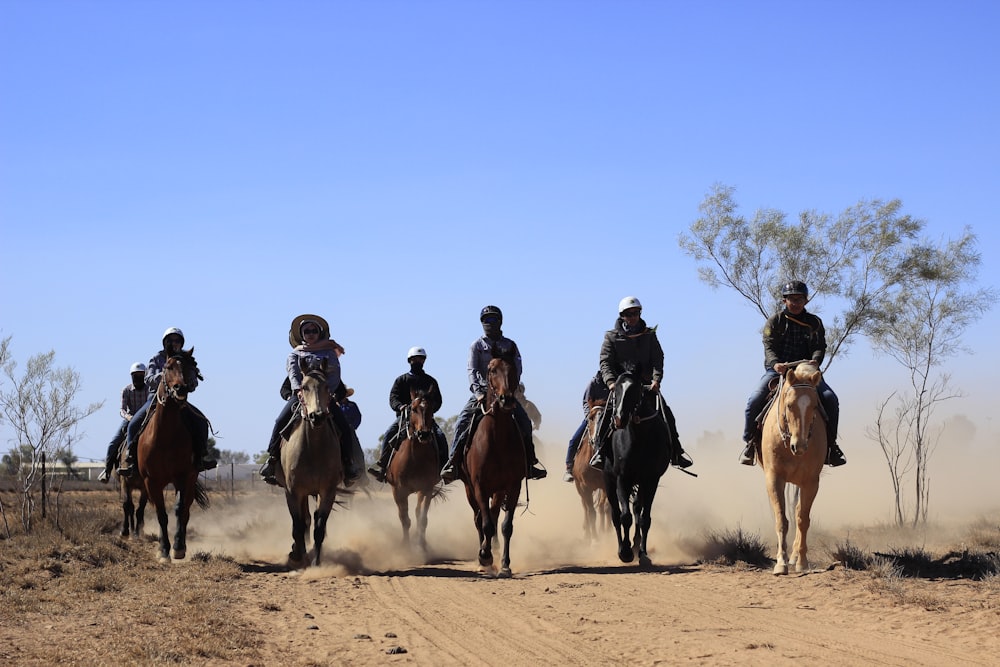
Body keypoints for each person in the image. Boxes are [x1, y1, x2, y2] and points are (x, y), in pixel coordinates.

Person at [740, 281, 846, 467]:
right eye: (791, 299)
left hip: (806, 372)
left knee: (830, 399)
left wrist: (815, 360)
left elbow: (820, 346)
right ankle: (749, 443)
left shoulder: (814, 322)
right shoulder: (775, 321)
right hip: (778, 371)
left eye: (799, 299)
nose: (795, 303)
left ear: (806, 300)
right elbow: (769, 346)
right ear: (784, 301)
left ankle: (831, 447)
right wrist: (776, 364)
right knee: (754, 401)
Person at [441, 305, 547, 483]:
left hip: (506, 393)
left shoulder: (510, 345)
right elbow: (472, 370)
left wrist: (509, 388)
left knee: (524, 422)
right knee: (462, 421)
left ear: (500, 321)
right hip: (482, 393)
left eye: (493, 319)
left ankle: (529, 462)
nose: (489, 323)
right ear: (482, 323)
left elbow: (517, 368)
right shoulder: (477, 346)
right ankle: (453, 462)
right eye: (486, 320)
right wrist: (479, 393)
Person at [590, 296, 693, 470]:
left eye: (636, 313)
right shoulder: (611, 337)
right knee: (606, 413)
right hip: (620, 387)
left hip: (644, 386)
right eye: (629, 314)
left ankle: (676, 451)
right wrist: (611, 383)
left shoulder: (649, 335)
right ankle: (600, 452)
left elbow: (658, 359)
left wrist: (656, 379)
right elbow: (605, 362)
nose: (632, 317)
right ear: (622, 315)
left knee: (666, 414)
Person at [259, 314, 361, 486]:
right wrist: (298, 390)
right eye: (307, 331)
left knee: (344, 425)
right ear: (302, 334)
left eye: (314, 330)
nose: (311, 333)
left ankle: (349, 463)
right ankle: (272, 459)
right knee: (280, 421)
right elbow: (292, 373)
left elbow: (335, 374)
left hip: (324, 396)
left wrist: (326, 391)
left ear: (319, 333)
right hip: (301, 396)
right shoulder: (295, 354)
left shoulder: (329, 352)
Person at [118, 328, 216, 477]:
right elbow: (148, 379)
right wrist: (165, 375)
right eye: (170, 340)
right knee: (133, 424)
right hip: (155, 398)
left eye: (177, 340)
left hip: (179, 400)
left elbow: (194, 382)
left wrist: (190, 383)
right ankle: (131, 460)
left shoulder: (185, 359)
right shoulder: (156, 358)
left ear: (181, 343)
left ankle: (201, 457)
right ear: (165, 343)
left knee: (201, 421)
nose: (174, 343)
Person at [367, 346, 449, 482]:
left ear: (424, 361)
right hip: (404, 417)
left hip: (425, 418)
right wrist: (400, 406)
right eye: (415, 359)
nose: (418, 361)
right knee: (389, 433)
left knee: (440, 436)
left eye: (421, 359)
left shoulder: (431, 381)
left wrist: (428, 410)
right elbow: (393, 397)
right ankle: (382, 467)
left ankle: (444, 468)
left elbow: (438, 400)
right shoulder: (401, 380)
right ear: (409, 361)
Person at [98, 362, 150, 483]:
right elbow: (121, 409)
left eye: (141, 375)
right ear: (131, 376)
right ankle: (107, 470)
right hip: (130, 420)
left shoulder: (149, 389)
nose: (138, 378)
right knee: (113, 443)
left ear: (145, 375)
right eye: (135, 375)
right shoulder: (126, 390)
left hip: (147, 419)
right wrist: (129, 417)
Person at [562, 371, 609, 482]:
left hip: (608, 418)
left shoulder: (615, 383)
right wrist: (589, 416)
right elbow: (585, 401)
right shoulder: (594, 383)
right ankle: (569, 468)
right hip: (593, 417)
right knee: (574, 440)